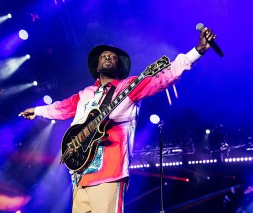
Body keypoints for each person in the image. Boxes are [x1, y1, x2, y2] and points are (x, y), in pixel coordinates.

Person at [18, 27, 217, 213]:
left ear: (118, 66)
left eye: (112, 57)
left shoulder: (128, 87)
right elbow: (61, 108)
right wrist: (37, 110)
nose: (107, 57)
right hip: (80, 175)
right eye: (104, 56)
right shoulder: (85, 94)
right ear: (97, 66)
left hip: (109, 172)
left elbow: (166, 76)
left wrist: (197, 50)